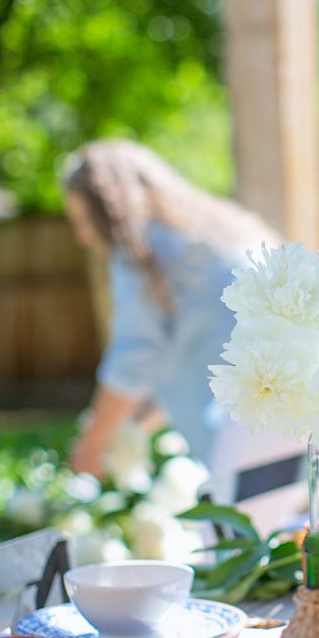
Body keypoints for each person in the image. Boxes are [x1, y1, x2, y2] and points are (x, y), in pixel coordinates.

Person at [61, 139, 295, 496]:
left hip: (239, 440)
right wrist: (134, 428)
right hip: (291, 424)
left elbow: (134, 356)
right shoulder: (215, 233)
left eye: (83, 219)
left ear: (104, 205)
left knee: (247, 544)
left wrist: (91, 446)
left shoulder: (141, 250)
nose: (82, 236)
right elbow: (197, 354)